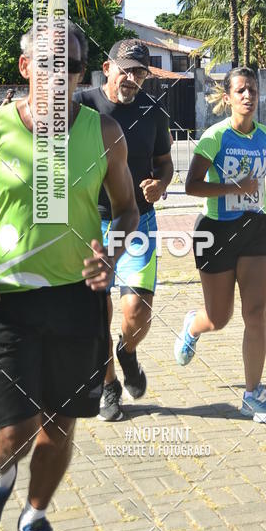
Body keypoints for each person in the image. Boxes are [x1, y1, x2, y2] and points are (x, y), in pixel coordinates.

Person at [0, 23, 138, 531]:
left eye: (72, 67)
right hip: (8, 300)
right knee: (12, 433)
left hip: (78, 298)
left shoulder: (104, 133)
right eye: (49, 64)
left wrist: (112, 250)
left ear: (83, 74)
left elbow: (127, 209)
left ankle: (34, 519)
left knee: (61, 423)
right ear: (25, 68)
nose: (61, 76)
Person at [173, 67, 266, 423]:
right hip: (216, 230)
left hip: (255, 227)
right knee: (219, 317)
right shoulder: (215, 137)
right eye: (241, 90)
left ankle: (253, 394)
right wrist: (234, 188)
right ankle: (192, 326)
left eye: (253, 90)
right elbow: (192, 185)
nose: (248, 96)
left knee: (255, 313)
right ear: (227, 98)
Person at [74, 39, 173, 422]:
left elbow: (164, 162)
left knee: (138, 311)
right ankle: (109, 386)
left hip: (138, 222)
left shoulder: (152, 111)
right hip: (89, 224)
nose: (132, 79)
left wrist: (161, 184)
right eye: (126, 70)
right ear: (107, 67)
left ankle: (127, 351)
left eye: (140, 73)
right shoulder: (82, 105)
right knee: (96, 312)